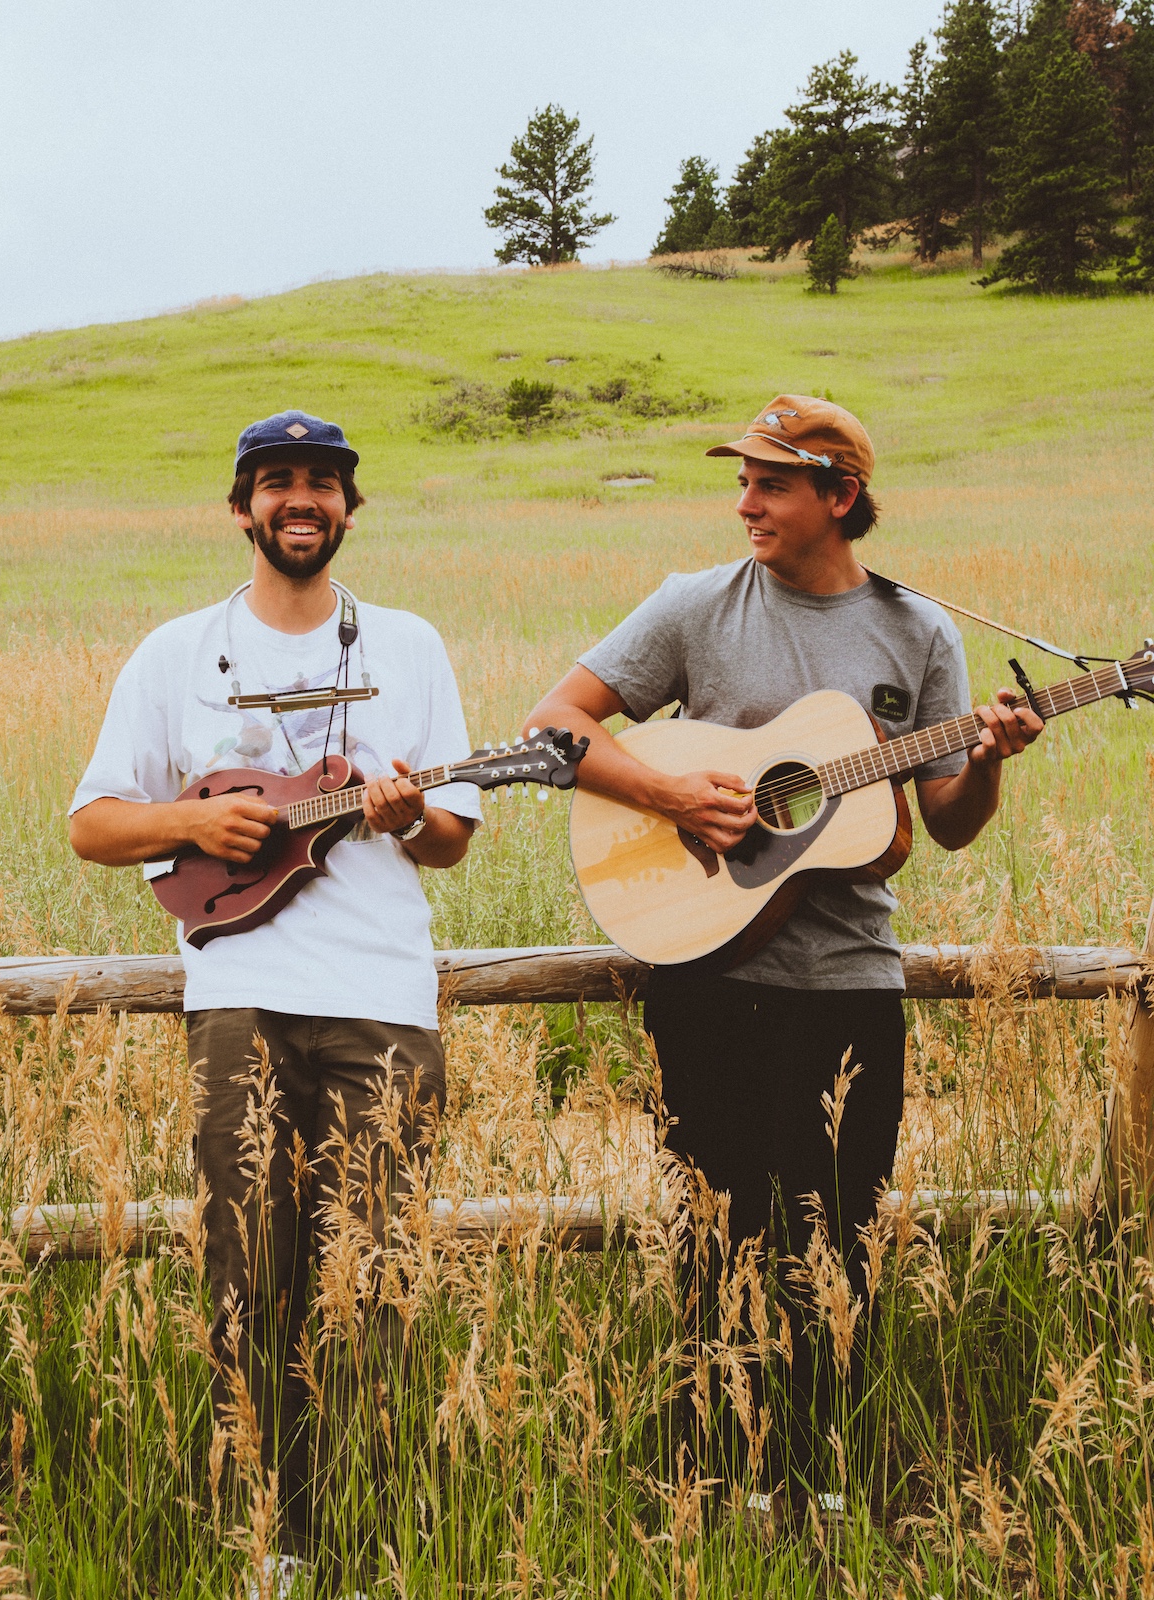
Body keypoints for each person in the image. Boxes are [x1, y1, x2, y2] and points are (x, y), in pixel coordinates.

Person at [523, 394, 1043, 1521]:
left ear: (839, 495)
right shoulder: (692, 607)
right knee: (714, 1237)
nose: (745, 501)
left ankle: (817, 1487)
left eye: (770, 482)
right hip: (704, 973)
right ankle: (712, 1486)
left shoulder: (918, 633)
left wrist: (991, 756)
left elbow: (944, 822)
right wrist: (666, 791)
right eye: (743, 479)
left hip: (851, 986)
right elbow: (554, 726)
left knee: (836, 1241)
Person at [68, 410, 481, 1582]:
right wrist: (193, 820)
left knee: (377, 1277)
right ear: (241, 505)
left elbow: (451, 838)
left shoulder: (409, 645)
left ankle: (364, 1531)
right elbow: (95, 823)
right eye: (278, 482)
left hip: (384, 1005)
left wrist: (412, 811)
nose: (302, 502)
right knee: (246, 1281)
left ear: (350, 508)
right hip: (239, 999)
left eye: (324, 484)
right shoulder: (174, 654)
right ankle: (268, 1537)